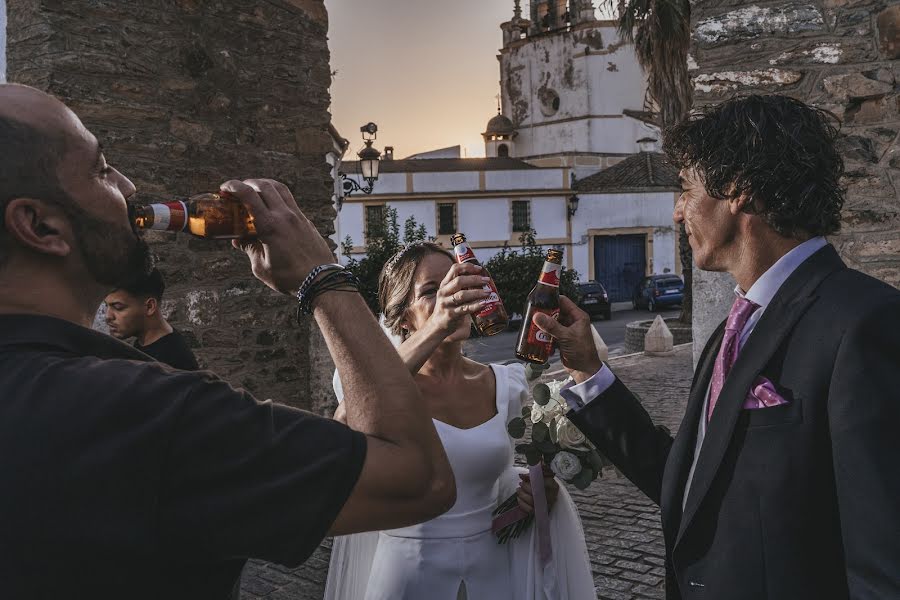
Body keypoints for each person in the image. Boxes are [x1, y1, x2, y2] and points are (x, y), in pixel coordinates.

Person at [0, 83, 459, 598]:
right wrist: (320, 275)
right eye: (101, 169)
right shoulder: (146, 411)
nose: (128, 185)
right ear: (39, 225)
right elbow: (420, 479)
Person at [531, 95, 900, 599]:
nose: (679, 211)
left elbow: (883, 561)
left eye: (685, 188)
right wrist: (589, 372)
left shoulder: (866, 323)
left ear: (739, 190)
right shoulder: (736, 328)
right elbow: (689, 483)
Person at [324, 242, 596, 600]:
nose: (454, 298)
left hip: (494, 577)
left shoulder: (506, 385)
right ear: (405, 318)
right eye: (431, 291)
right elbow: (340, 435)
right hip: (409, 578)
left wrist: (530, 498)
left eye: (458, 283)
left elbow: (491, 479)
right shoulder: (369, 388)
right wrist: (437, 326)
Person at [104, 268, 200, 370]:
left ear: (150, 306)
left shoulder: (174, 362)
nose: (108, 316)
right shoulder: (144, 343)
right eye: (106, 306)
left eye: (118, 307)